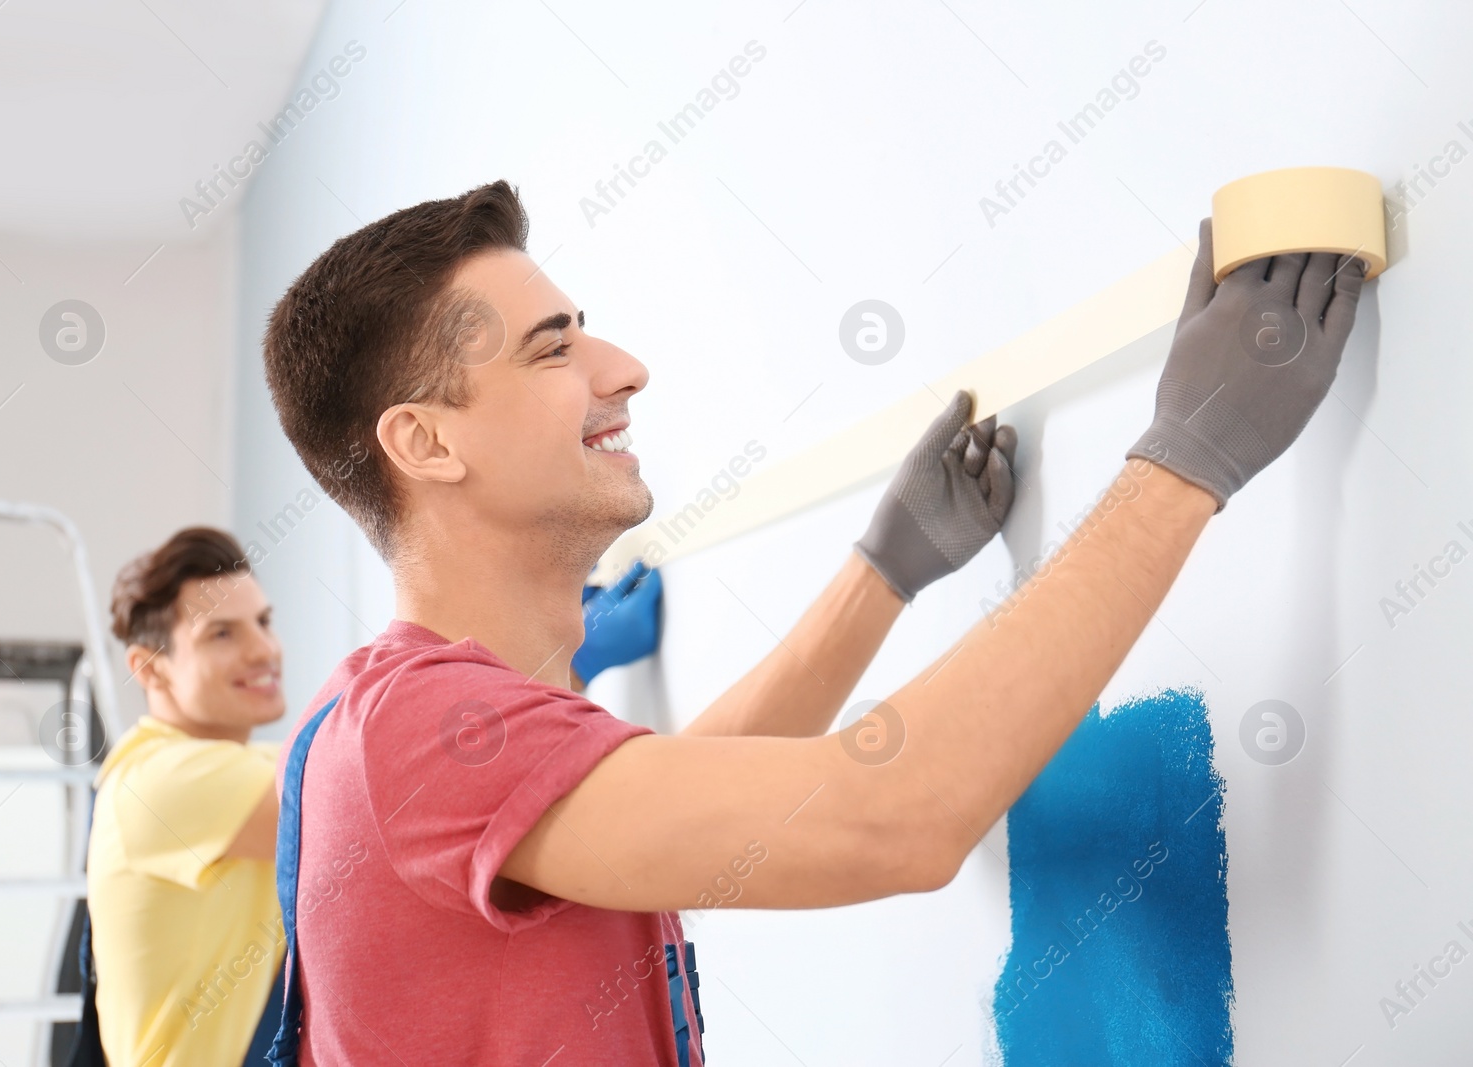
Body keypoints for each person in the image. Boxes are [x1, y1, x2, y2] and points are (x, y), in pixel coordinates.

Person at [259, 181, 1365, 1066]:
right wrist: (1184, 458)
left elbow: (683, 803)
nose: (623, 369)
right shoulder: (427, 729)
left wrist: (880, 575)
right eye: (553, 349)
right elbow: (893, 818)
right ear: (424, 443)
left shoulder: (380, 719)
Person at [78, 525, 662, 1066]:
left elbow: (360, 763)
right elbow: (372, 795)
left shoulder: (231, 766)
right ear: (149, 670)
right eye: (222, 634)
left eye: (263, 621)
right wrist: (558, 656)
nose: (263, 650)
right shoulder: (157, 781)